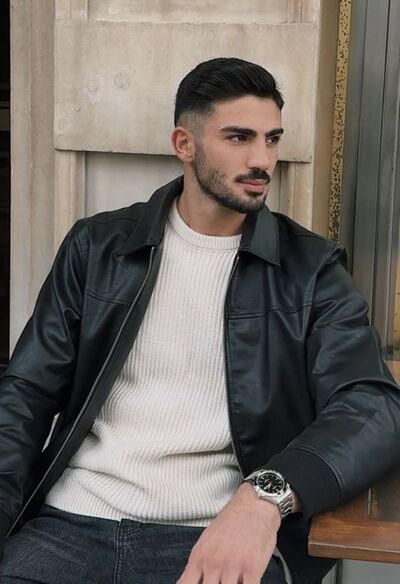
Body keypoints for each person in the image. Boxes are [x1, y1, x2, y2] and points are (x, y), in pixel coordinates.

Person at [0, 57, 399, 584]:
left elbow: (372, 406)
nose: (262, 160)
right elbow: (26, 393)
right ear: (184, 144)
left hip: (215, 532)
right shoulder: (97, 247)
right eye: (238, 137)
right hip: (69, 525)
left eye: (272, 139)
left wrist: (265, 498)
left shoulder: (311, 270)